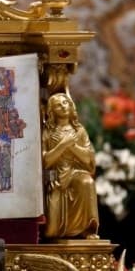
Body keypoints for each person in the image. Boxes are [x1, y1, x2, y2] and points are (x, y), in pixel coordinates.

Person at [42, 92, 100, 240]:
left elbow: (88, 159)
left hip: (75, 173)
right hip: (55, 176)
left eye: (65, 103)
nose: (62, 106)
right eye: (58, 105)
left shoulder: (79, 131)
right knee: (51, 232)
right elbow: (46, 161)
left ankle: (88, 229)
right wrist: (62, 145)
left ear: (70, 105)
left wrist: (71, 145)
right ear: (52, 111)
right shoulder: (47, 133)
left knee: (87, 182)